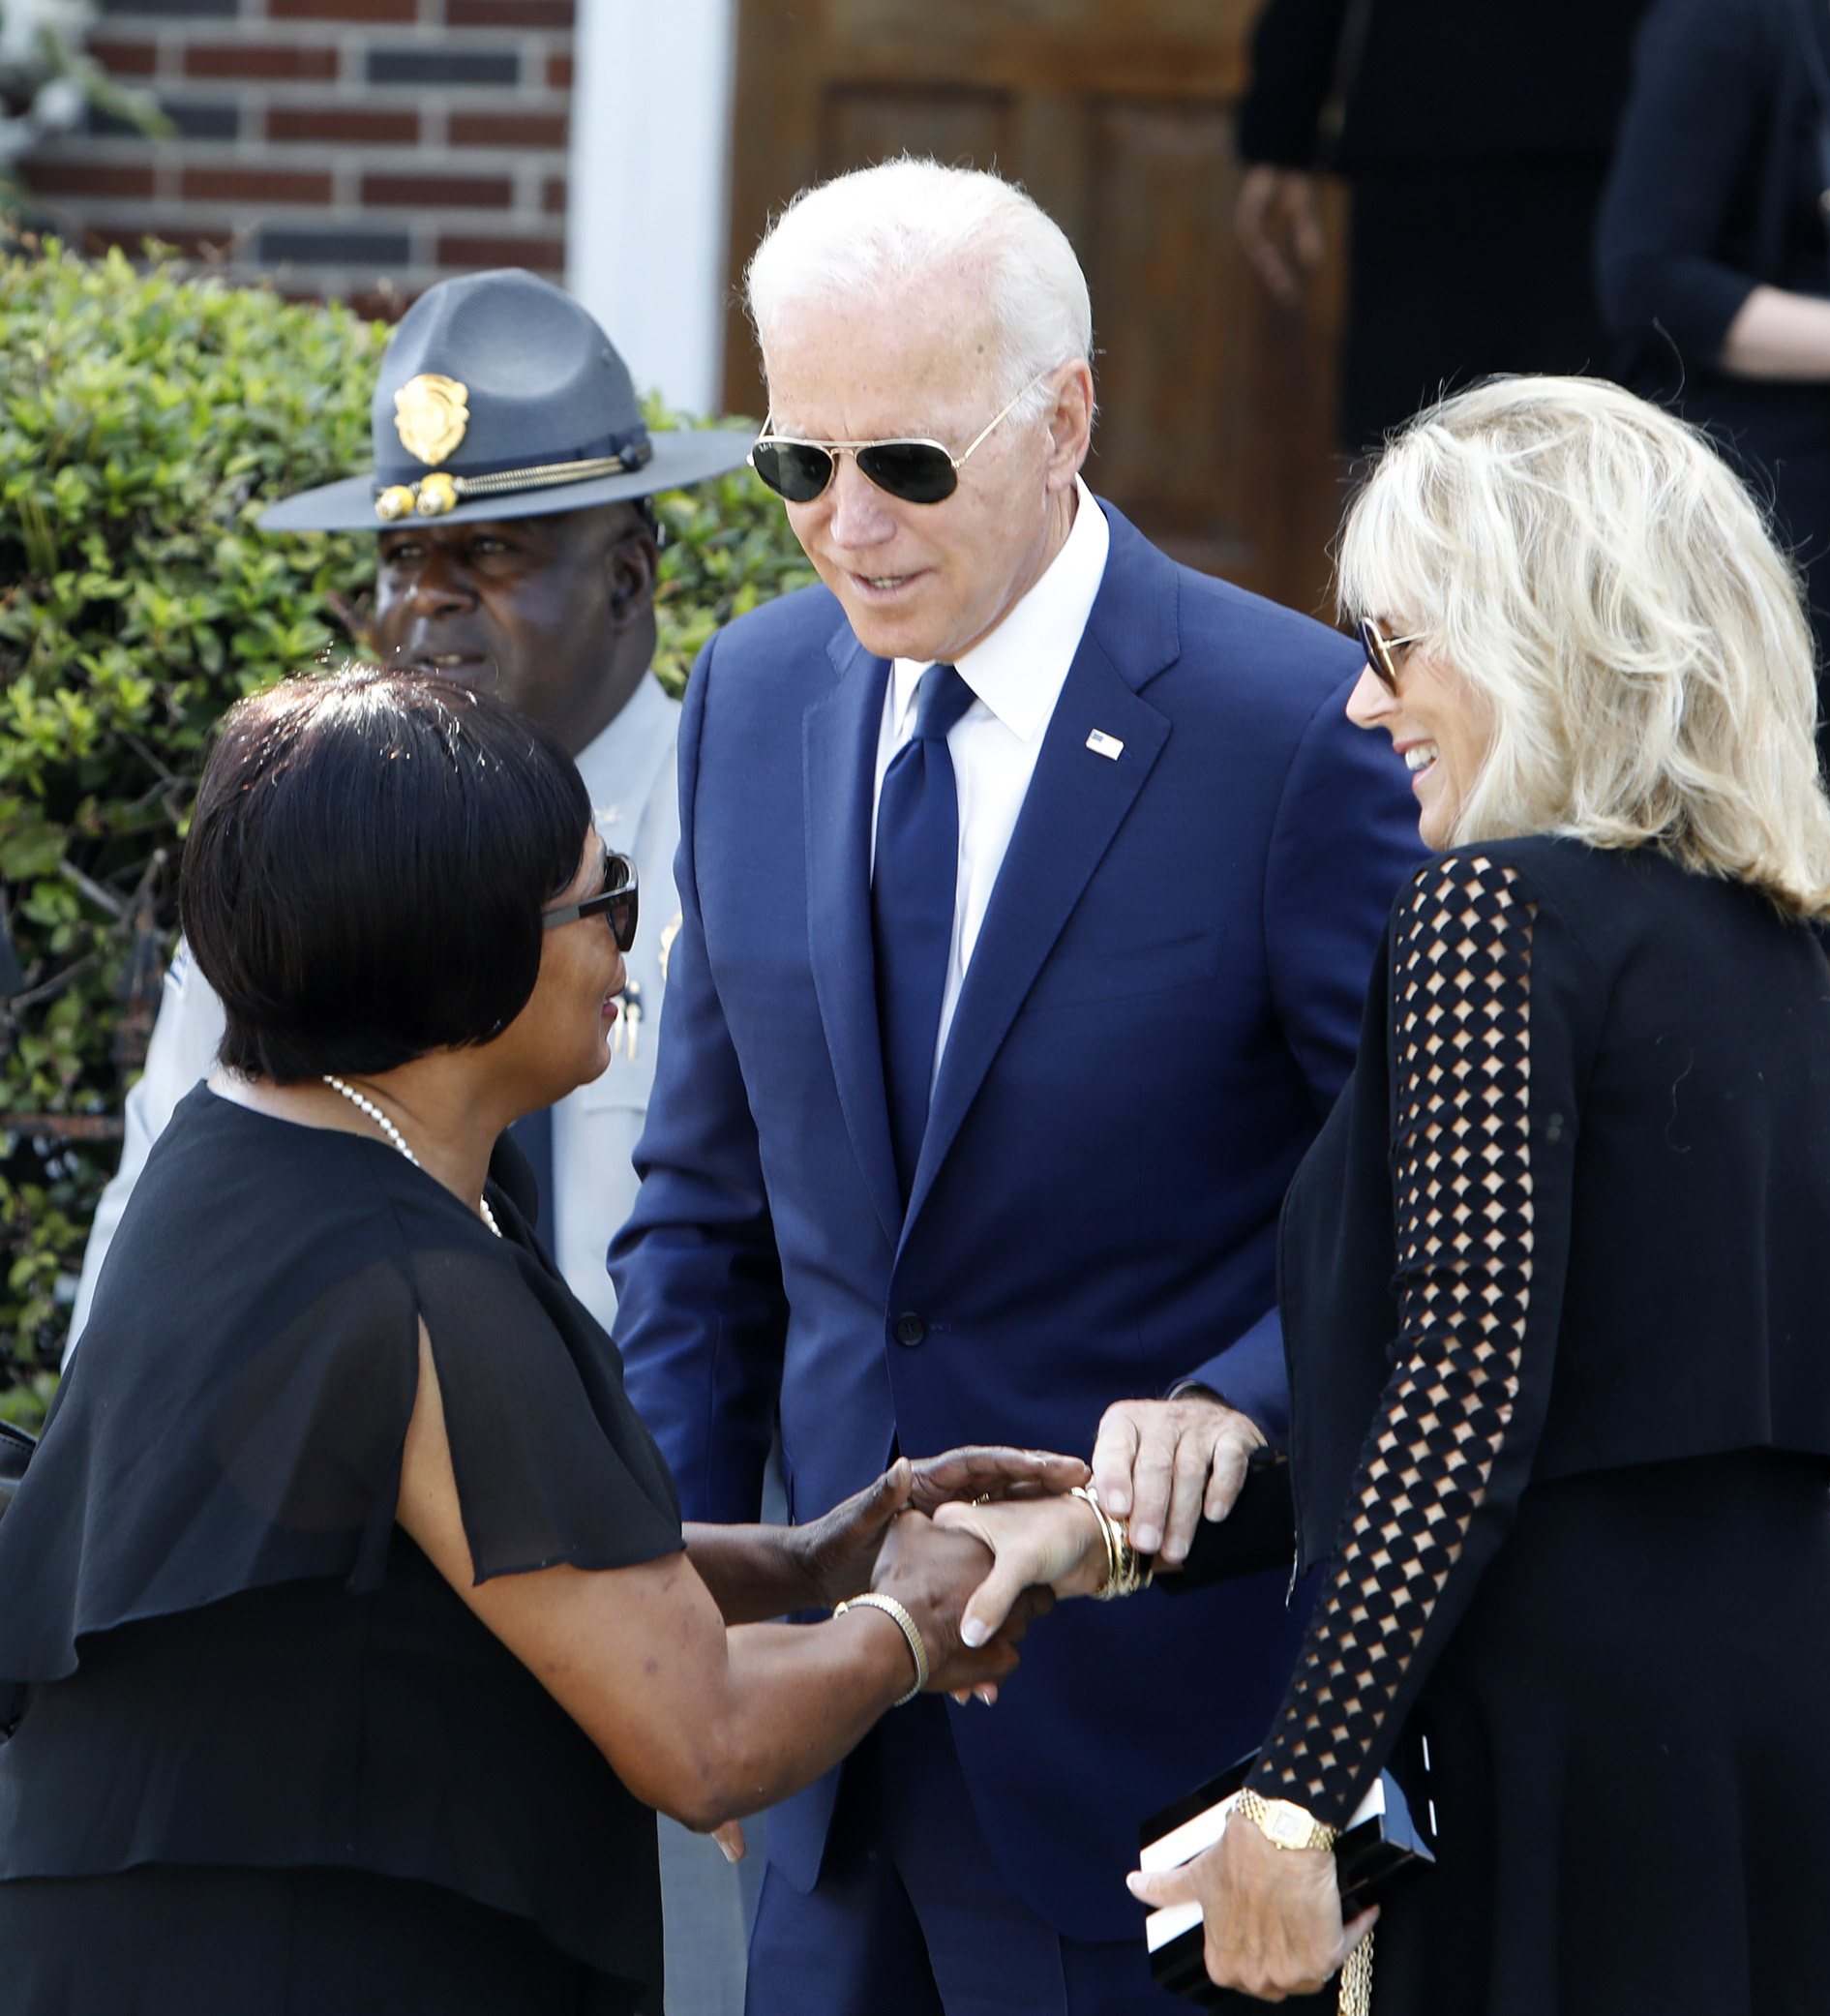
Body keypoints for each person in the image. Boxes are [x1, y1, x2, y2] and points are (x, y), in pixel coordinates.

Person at [944, 376, 1830, 2012]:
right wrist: (1094, 1538)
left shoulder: (1491, 910)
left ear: (1532, 637)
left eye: (1393, 645)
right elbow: (1591, 1403)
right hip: (1787, 1734)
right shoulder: (1764, 945)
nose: (1361, 706)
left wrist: (1296, 1791)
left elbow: (1470, 1384)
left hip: (1563, 1756)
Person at [606, 158, 1423, 2015]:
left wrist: (1232, 1400)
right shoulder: (751, 698)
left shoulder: (1292, 731)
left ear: (1063, 421)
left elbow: (1410, 1199)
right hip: (824, 1761)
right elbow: (707, 1222)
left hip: (1156, 1756)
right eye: (793, 463)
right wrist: (679, 1629)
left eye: (905, 463)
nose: (842, 522)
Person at [0, 668, 1082, 2016]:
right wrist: (917, 1619)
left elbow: (478, 1555)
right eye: (605, 895)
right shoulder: (410, 1285)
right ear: (464, 951)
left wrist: (814, 1556)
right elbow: (703, 1736)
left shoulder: (253, 1146)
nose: (632, 939)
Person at [69, 265, 747, 1346]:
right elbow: (162, 1208)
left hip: (676, 1491)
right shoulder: (310, 846)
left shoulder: (742, 824)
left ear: (627, 582)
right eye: (400, 556)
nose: (424, 598)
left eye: (487, 550)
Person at [1598, 0, 1830, 1490]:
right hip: (1804, 544)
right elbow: (1645, 277)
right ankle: (1740, 1343)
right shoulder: (1734, 20)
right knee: (1763, 925)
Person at [1234, 0, 1650, 452]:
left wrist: (1283, 122)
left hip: (1434, 110)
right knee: (1594, 445)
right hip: (1605, 114)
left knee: (1421, 444)